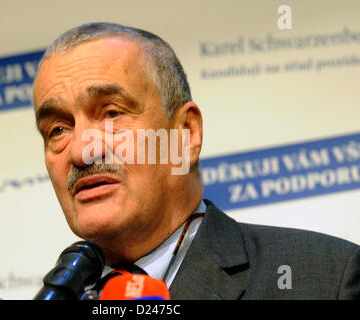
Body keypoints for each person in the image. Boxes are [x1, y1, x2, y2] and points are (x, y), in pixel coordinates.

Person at [32, 22, 360, 299]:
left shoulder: (327, 278)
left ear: (185, 134)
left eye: (112, 114)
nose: (80, 151)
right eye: (58, 129)